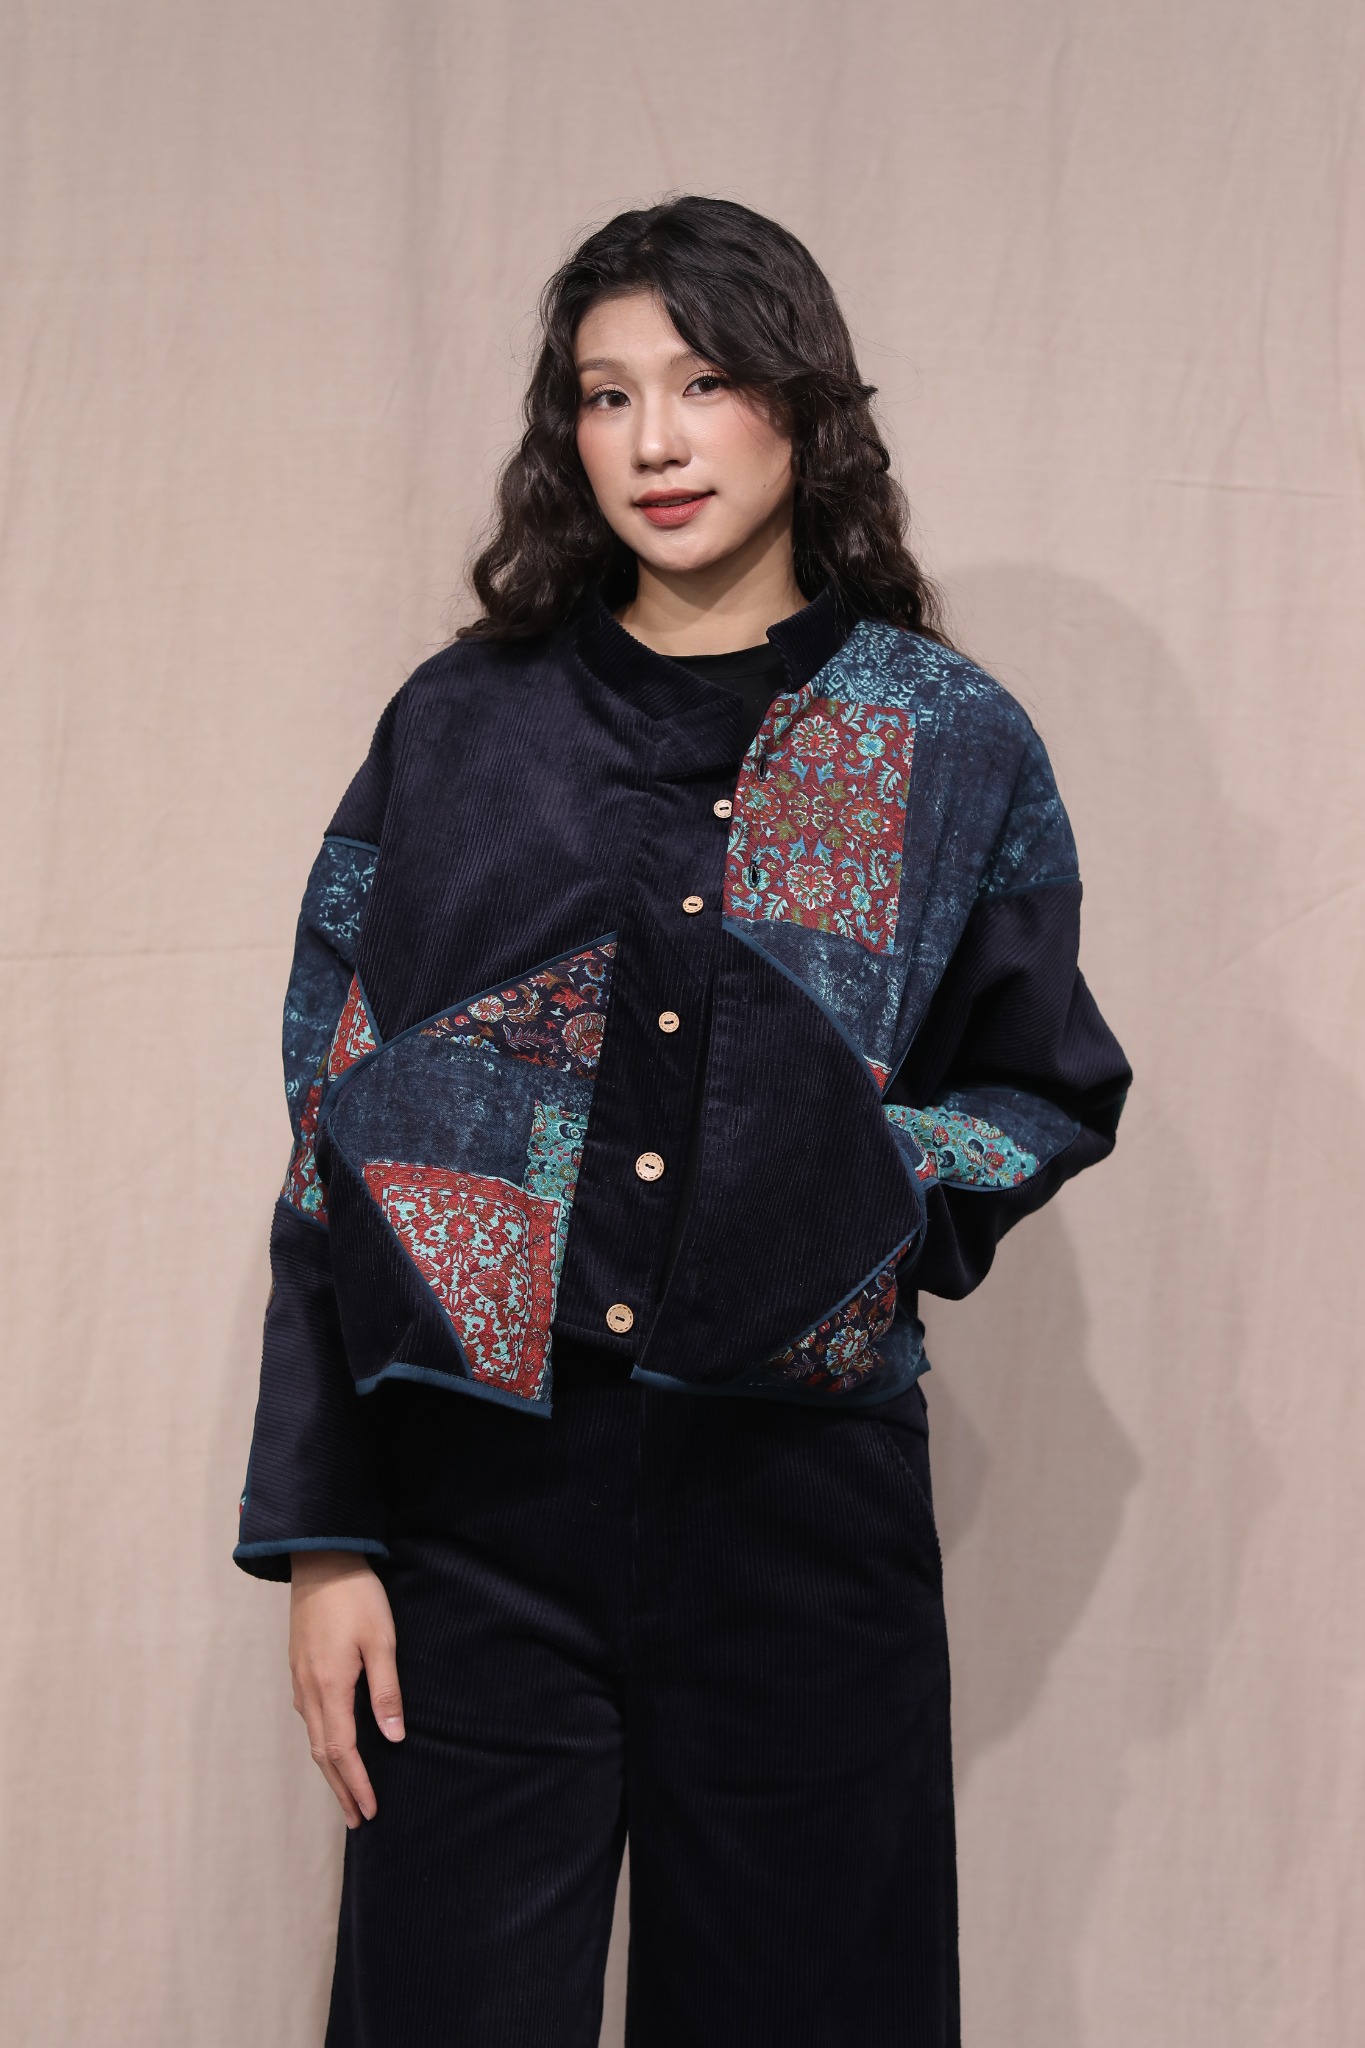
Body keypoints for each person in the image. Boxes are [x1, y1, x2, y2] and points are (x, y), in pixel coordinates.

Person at [233, 194, 1131, 2048]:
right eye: (606, 392)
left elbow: (1040, 1085)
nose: (654, 438)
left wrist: (850, 1196)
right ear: (563, 429)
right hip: (477, 1509)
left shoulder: (940, 736)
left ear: (800, 404)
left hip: (797, 1515)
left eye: (705, 381)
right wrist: (328, 1536)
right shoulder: (462, 729)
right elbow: (335, 1130)